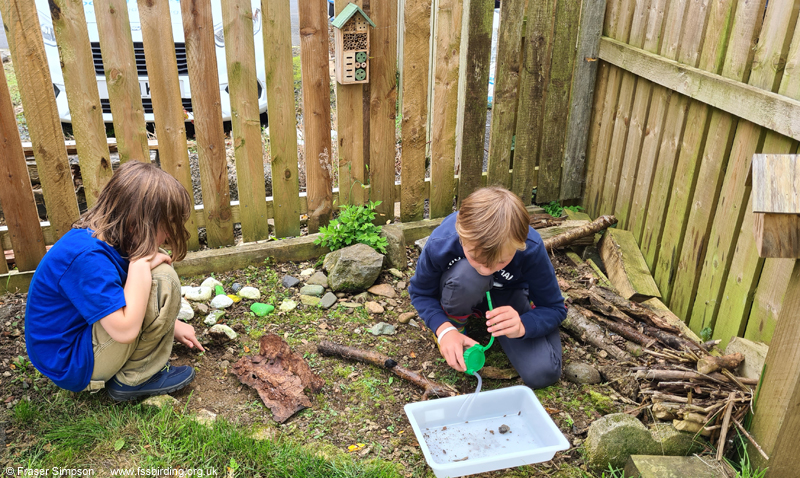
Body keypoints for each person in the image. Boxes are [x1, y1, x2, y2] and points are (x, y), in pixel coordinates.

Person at [25, 161, 204, 401]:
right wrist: (140, 264)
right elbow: (125, 330)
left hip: (80, 342)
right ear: (136, 224)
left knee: (153, 272)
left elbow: (117, 295)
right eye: (166, 224)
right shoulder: (87, 259)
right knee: (163, 278)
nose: (170, 234)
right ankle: (135, 378)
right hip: (72, 362)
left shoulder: (107, 237)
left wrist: (171, 326)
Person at [409, 186, 567, 389]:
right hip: (461, 286)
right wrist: (444, 329)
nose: (486, 269)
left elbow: (555, 308)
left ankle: (496, 320)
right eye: (475, 257)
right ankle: (456, 325)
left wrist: (522, 324)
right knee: (469, 275)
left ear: (519, 245)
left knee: (543, 373)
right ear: (460, 235)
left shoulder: (530, 248)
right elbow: (420, 292)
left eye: (501, 262)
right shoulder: (442, 242)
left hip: (507, 297)